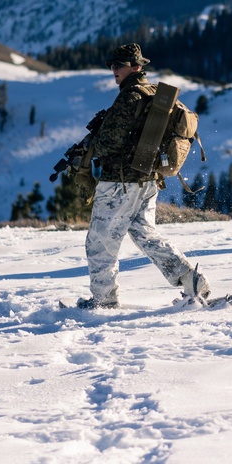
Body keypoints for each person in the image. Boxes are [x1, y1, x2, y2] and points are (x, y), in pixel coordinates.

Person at [74, 43, 210, 309]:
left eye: (119, 65)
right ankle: (191, 280)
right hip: (147, 180)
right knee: (145, 234)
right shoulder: (154, 92)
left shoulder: (129, 97)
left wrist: (95, 142)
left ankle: (103, 301)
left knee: (100, 242)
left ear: (136, 66)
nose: (114, 70)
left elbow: (108, 143)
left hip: (119, 183)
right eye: (112, 65)